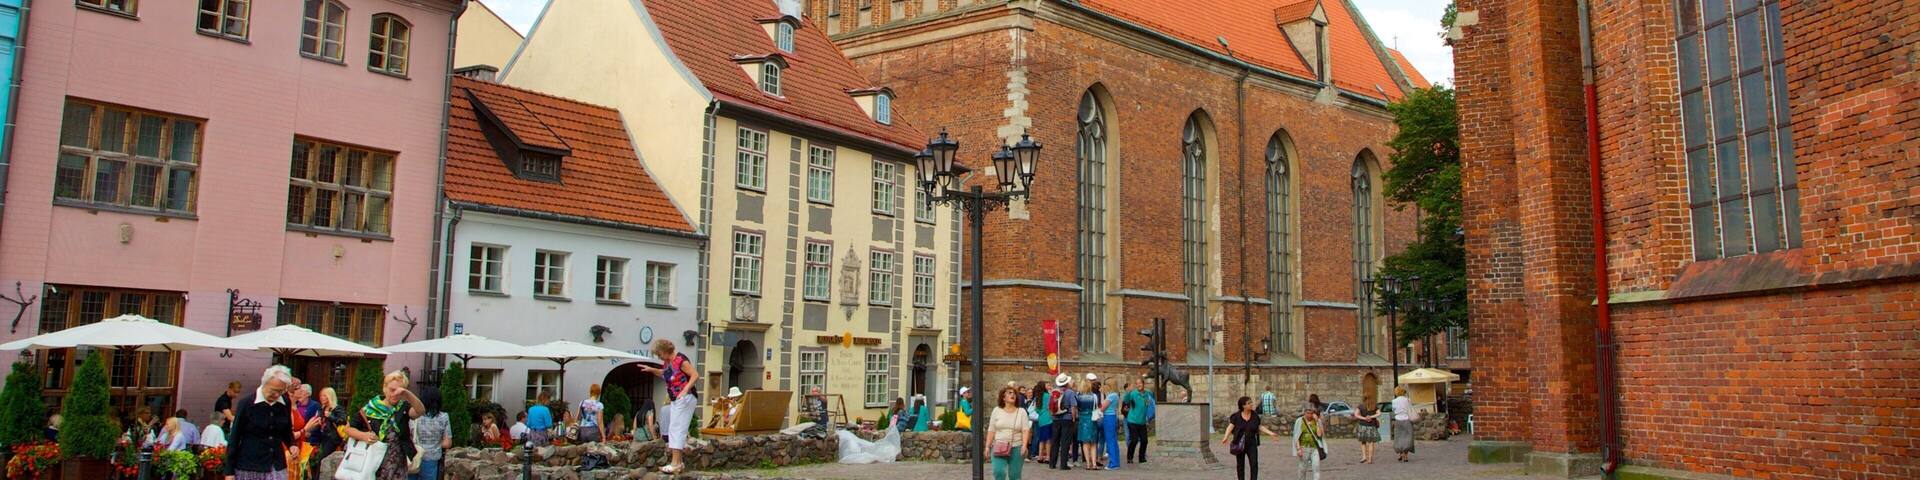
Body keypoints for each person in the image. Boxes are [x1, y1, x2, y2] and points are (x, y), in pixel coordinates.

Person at [344, 370, 425, 480]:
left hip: (397, 464)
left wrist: (407, 394)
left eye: (400, 392)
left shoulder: (403, 407)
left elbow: (420, 411)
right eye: (392, 390)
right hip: (374, 462)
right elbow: (348, 429)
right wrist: (364, 436)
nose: (395, 395)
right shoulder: (370, 408)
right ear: (384, 388)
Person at [636, 339, 698, 475]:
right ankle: (678, 462)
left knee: (677, 427)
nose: (659, 357)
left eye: (659, 354)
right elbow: (665, 374)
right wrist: (652, 370)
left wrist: (685, 390)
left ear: (664, 351)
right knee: (674, 427)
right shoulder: (668, 363)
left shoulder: (680, 360)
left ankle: (675, 463)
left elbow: (694, 375)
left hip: (685, 398)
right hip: (676, 398)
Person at [224, 365, 295, 480]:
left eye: (281, 391)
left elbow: (286, 430)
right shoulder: (246, 404)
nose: (277, 395)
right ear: (264, 383)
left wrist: (292, 444)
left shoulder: (285, 403)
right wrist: (229, 471)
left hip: (276, 463)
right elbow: (235, 437)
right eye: (274, 391)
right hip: (249, 465)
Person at [1220, 396, 1279, 480]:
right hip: (1239, 443)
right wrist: (1226, 436)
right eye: (1249, 403)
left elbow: (1259, 426)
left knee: (1254, 463)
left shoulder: (1255, 415)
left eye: (1251, 402)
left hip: (1251, 443)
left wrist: (1271, 433)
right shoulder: (1236, 416)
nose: (1251, 404)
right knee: (1240, 465)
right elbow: (1230, 426)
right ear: (1243, 406)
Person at [986, 387, 1031, 480]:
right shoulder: (996, 410)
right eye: (1009, 393)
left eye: (1014, 393)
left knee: (1015, 475)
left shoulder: (1021, 411)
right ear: (1003, 397)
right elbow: (991, 430)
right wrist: (987, 446)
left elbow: (1025, 430)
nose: (1013, 395)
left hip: (1017, 447)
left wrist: (1024, 446)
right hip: (999, 445)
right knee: (998, 472)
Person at [409, 389, 450, 480]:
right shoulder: (444, 417)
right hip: (432, 458)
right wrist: (436, 443)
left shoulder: (413, 415)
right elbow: (448, 443)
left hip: (413, 456)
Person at [305, 388, 346, 477]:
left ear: (329, 396)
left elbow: (343, 420)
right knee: (316, 459)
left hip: (332, 438)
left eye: (324, 395)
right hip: (322, 437)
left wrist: (330, 416)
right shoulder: (322, 408)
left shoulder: (337, 408)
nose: (321, 398)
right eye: (320, 396)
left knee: (322, 459)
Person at [1048, 374, 1076, 470]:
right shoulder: (1070, 392)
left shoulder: (1054, 392)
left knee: (1055, 441)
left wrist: (1052, 415)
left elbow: (1050, 406)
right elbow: (1073, 406)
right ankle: (1063, 464)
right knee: (1065, 442)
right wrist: (1073, 418)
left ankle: (1052, 463)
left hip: (1056, 418)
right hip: (1067, 418)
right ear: (1067, 382)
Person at [1075, 375, 1102, 470]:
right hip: (1092, 418)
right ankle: (1094, 463)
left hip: (1082, 418)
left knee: (1085, 443)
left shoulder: (1078, 396)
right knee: (1093, 443)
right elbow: (1096, 407)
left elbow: (1076, 407)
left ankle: (1088, 464)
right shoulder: (1094, 396)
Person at [1123, 381, 1153, 464]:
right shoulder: (1133, 393)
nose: (1139, 385)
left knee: (1144, 440)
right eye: (1137, 383)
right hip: (1132, 420)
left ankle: (1141, 457)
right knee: (1134, 440)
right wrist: (1128, 392)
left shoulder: (1148, 394)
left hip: (1142, 421)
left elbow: (1150, 404)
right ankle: (1129, 457)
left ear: (1144, 384)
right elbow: (1126, 400)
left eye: (1140, 383)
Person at [1293, 407, 1325, 480]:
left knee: (1316, 467)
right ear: (1304, 413)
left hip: (1315, 448)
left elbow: (1320, 435)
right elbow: (1296, 436)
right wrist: (1298, 449)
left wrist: (1317, 422)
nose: (1309, 415)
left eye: (1311, 413)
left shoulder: (1317, 421)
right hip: (1304, 447)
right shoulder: (1300, 421)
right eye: (1308, 413)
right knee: (1302, 469)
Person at [1392, 386, 1417, 462]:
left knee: (1399, 438)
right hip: (1407, 420)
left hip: (1398, 420)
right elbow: (1410, 409)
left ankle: (1400, 454)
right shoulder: (1407, 400)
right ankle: (1405, 456)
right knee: (1407, 438)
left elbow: (1393, 410)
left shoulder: (1394, 401)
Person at [1028, 381, 1051, 463]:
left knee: (1041, 439)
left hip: (1041, 419)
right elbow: (1050, 406)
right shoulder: (1047, 395)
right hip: (1048, 418)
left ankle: (1040, 456)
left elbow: (1036, 409)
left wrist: (1040, 412)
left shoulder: (1037, 397)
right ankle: (1048, 456)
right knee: (1048, 439)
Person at [1101, 382, 1121, 469]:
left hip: (1108, 417)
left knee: (1110, 441)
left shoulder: (1111, 396)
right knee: (1113, 440)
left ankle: (1113, 463)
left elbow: (1103, 407)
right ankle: (1116, 461)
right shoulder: (1116, 395)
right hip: (1113, 416)